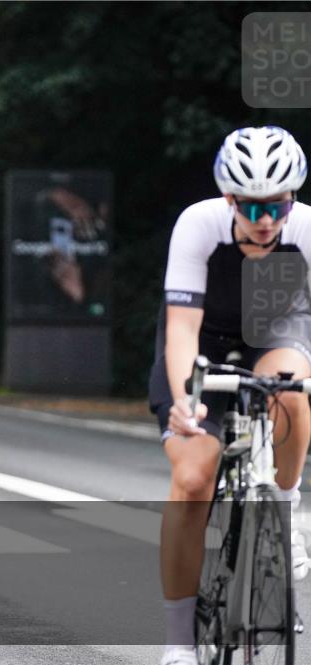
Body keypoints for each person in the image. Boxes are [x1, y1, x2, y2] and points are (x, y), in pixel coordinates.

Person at [149, 126, 310, 665]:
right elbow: (181, 330)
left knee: (290, 394)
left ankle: (286, 508)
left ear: (293, 198)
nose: (266, 222)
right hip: (204, 340)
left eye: (277, 207)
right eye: (252, 208)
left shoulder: (307, 229)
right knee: (193, 478)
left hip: (278, 333)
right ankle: (177, 644)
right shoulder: (199, 224)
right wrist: (183, 398)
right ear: (229, 199)